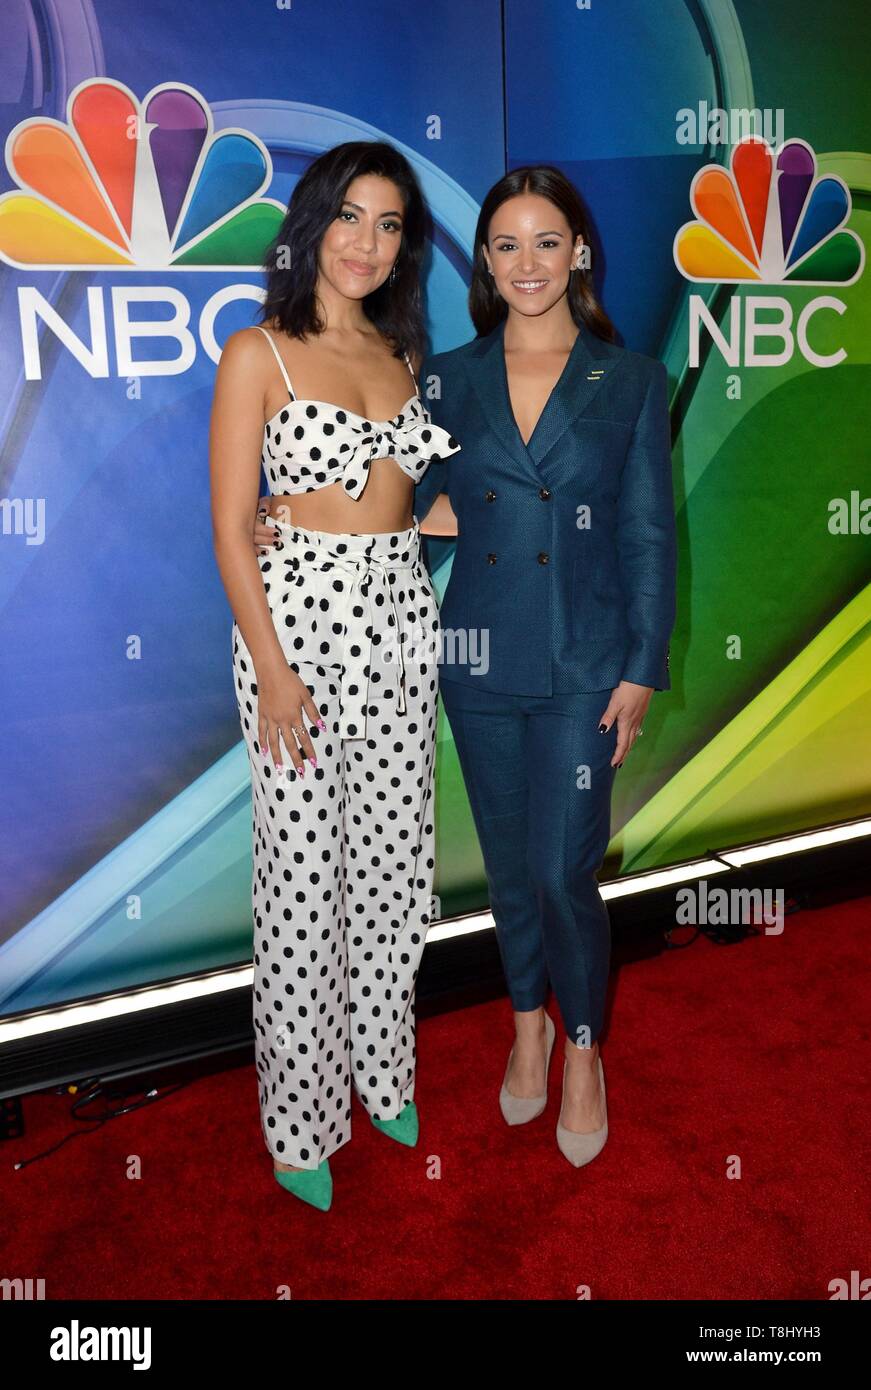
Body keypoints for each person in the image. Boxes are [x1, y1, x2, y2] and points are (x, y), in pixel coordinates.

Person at [210, 140, 460, 1211]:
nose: (367, 242)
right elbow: (229, 527)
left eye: (390, 224)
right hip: (296, 635)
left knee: (398, 869)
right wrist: (272, 670)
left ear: (405, 244)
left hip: (402, 621)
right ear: (314, 222)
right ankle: (299, 1118)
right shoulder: (255, 353)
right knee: (304, 884)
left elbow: (413, 512)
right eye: (351, 216)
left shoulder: (407, 359)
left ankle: (383, 1071)